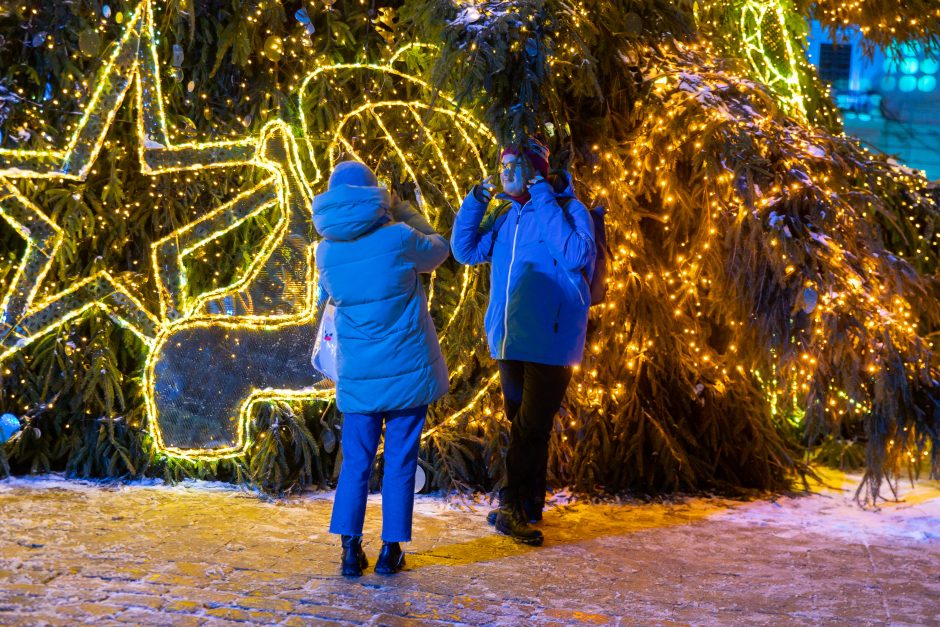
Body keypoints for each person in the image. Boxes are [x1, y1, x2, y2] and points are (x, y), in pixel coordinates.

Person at [450, 137, 595, 546]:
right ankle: (531, 502)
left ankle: (512, 506)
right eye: (503, 167)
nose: (507, 174)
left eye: (515, 166)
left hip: (551, 340)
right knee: (526, 425)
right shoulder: (505, 218)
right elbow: (464, 251)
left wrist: (543, 195)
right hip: (510, 340)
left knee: (530, 426)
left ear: (535, 170)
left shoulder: (569, 209)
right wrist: (478, 199)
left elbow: (574, 254)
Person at [312, 160, 450, 576]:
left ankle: (350, 551)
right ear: (375, 196)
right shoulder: (400, 237)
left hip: (359, 378)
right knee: (401, 462)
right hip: (408, 373)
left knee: (355, 462)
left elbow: (329, 297)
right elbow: (440, 249)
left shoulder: (326, 252)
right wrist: (403, 209)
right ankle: (392, 551)